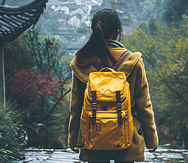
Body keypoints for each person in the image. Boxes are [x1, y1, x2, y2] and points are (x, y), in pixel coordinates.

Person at [68, 9, 158, 163]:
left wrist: (73, 138)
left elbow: (76, 106)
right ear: (117, 32)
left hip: (93, 136)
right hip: (127, 137)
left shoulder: (82, 62)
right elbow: (144, 105)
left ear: (93, 31)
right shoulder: (133, 61)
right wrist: (151, 139)